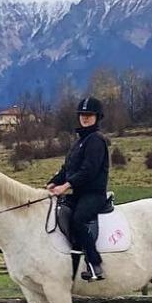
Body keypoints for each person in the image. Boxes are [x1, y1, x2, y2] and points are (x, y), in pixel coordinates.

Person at [48, 96, 111, 281]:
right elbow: (67, 169)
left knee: (78, 219)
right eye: (82, 114)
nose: (85, 118)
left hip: (94, 194)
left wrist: (66, 186)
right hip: (79, 193)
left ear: (97, 117)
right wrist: (52, 183)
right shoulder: (80, 141)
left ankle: (94, 264)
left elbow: (88, 171)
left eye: (89, 115)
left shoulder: (96, 140)